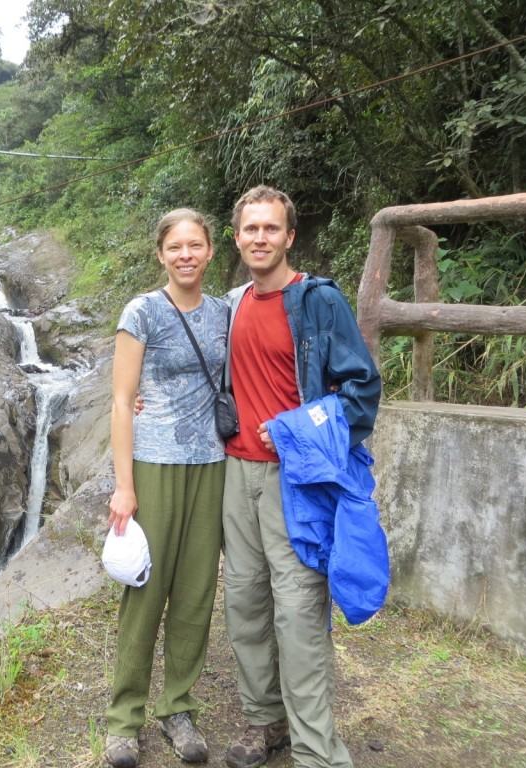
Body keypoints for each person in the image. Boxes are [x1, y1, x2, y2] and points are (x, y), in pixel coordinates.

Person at [220, 185, 381, 768]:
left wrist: (295, 427)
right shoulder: (234, 302)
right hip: (236, 475)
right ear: (236, 238)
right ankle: (265, 722)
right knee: (244, 601)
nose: (259, 238)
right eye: (250, 229)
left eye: (270, 229)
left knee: (297, 613)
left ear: (289, 236)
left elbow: (362, 391)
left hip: (297, 482)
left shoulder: (316, 300)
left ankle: (317, 751)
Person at [105, 208, 230, 768]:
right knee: (146, 593)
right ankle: (124, 719)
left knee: (197, 594)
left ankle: (178, 707)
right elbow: (120, 400)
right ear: (161, 253)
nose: (186, 255)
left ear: (209, 251)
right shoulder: (143, 312)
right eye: (175, 246)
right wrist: (123, 487)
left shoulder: (224, 310)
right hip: (153, 464)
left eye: (195, 245)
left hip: (211, 464)